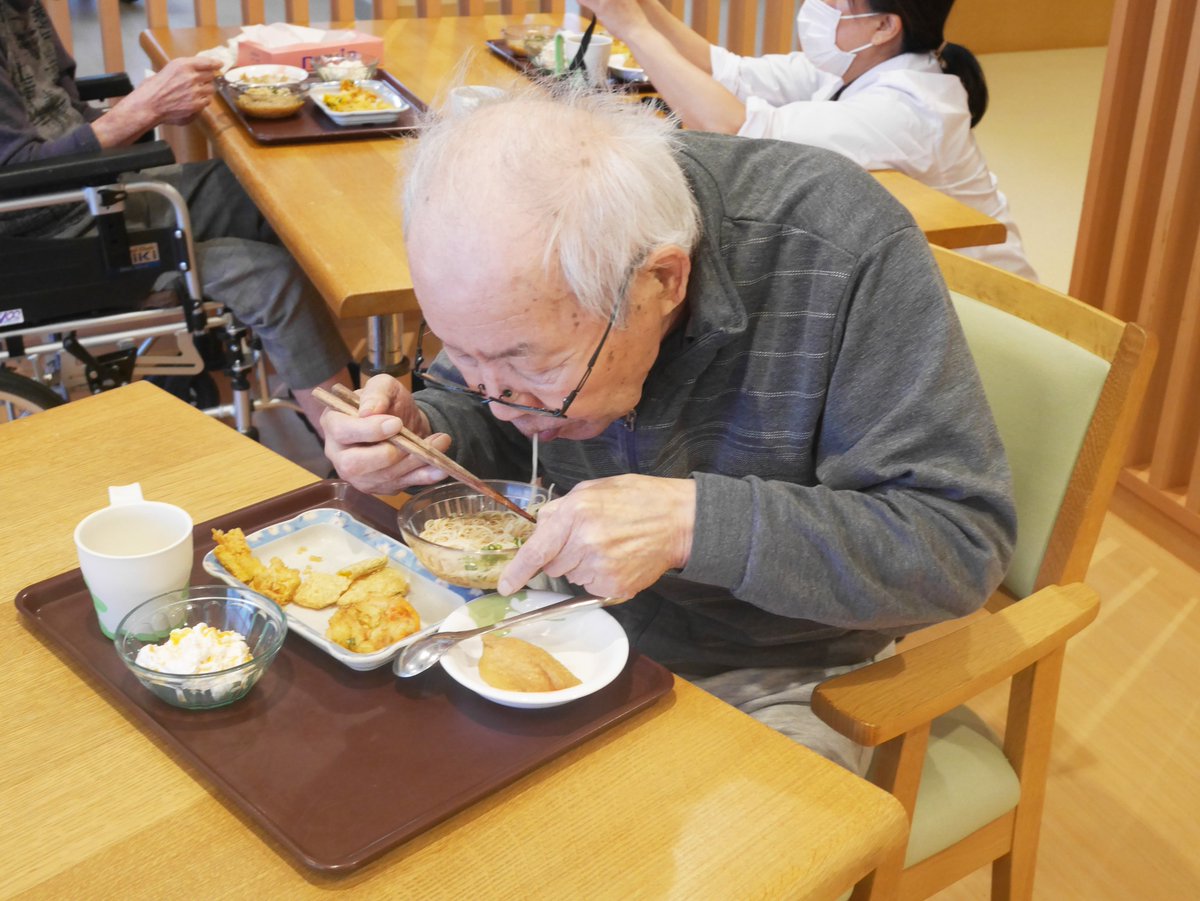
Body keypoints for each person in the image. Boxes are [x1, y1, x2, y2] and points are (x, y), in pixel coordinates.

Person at [323, 85, 1017, 772]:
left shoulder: (838, 248)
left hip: (774, 665)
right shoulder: (523, 264)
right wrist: (427, 431)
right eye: (462, 352)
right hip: (556, 612)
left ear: (661, 281)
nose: (497, 396)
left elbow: (959, 544)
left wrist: (693, 523)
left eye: (520, 364)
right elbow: (490, 414)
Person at [0, 0, 350, 434]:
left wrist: (142, 113)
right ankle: (355, 455)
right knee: (273, 281)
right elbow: (18, 175)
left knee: (276, 199)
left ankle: (311, 384)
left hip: (97, 194)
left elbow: (67, 112)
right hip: (48, 243)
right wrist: (139, 111)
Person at [585, 0, 1038, 280]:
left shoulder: (911, 109)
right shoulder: (854, 64)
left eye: (834, 1)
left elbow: (735, 129)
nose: (814, 7)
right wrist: (642, 7)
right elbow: (729, 74)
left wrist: (632, 27)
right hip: (912, 274)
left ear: (884, 26)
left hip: (983, 301)